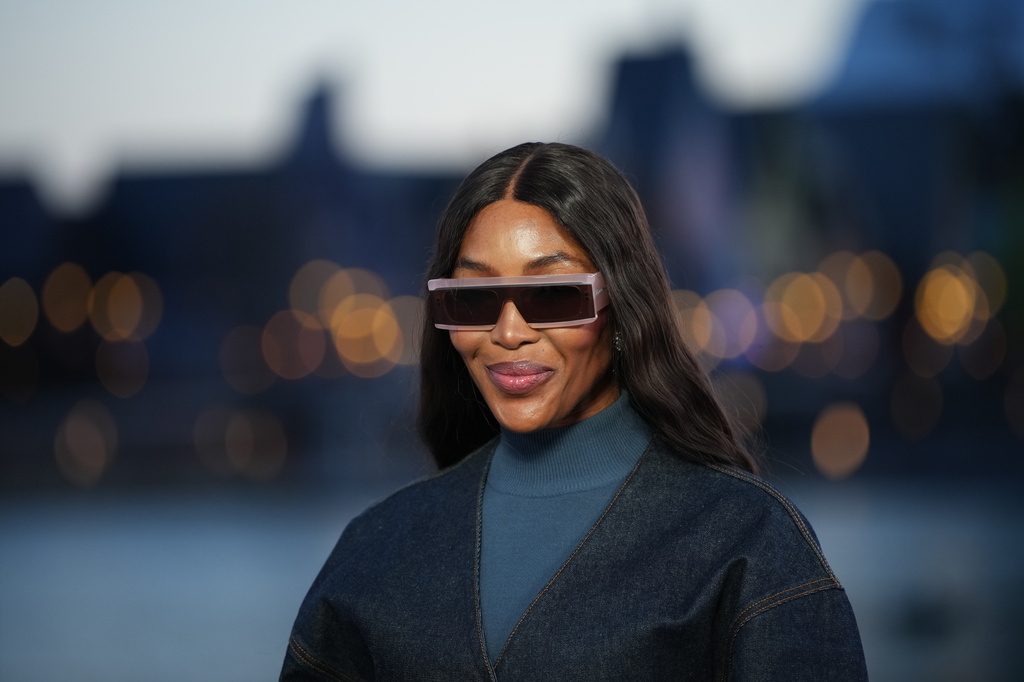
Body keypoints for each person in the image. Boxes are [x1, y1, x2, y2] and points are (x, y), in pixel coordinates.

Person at [280, 142, 868, 681]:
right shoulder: (375, 550)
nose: (509, 332)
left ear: (621, 304)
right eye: (475, 297)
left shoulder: (750, 544)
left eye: (554, 294)